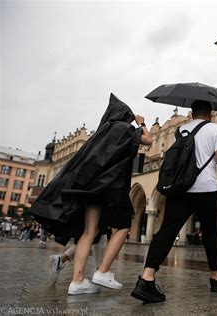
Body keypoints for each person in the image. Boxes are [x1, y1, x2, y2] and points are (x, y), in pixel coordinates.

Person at [30, 93, 151, 295]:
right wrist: (142, 123)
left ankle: (77, 281)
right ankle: (103, 271)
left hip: (89, 188)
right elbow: (147, 140)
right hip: (111, 185)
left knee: (89, 231)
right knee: (123, 225)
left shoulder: (101, 133)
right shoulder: (124, 128)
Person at [131, 100, 217, 304]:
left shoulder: (181, 130)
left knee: (166, 231)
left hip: (181, 188)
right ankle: (215, 277)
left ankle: (147, 277)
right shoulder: (215, 129)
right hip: (205, 188)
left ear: (192, 114)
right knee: (211, 234)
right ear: (210, 114)